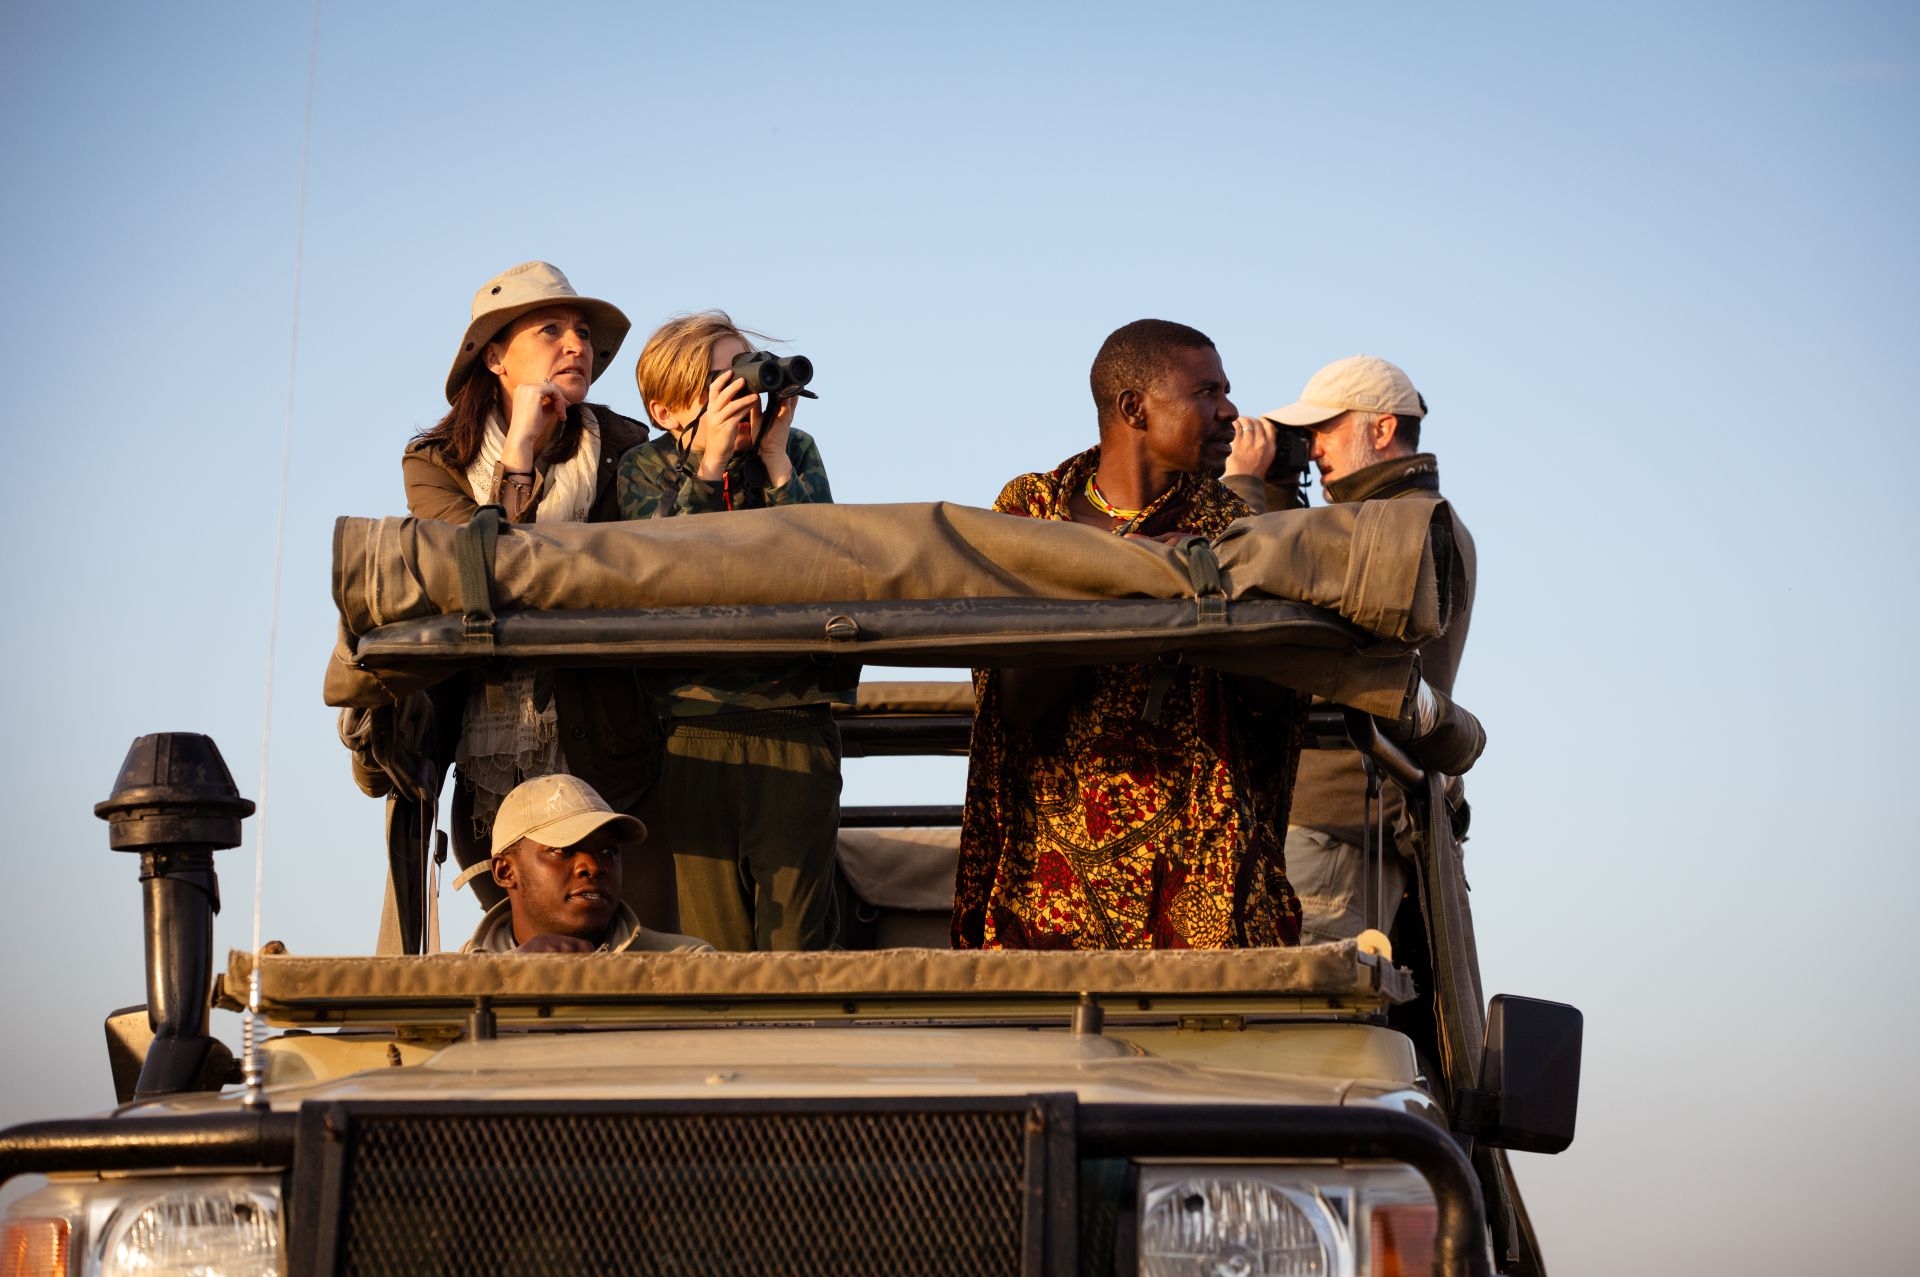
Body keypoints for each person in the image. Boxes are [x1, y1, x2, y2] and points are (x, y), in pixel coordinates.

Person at [951, 319, 1306, 951]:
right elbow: (1018, 704)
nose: (1229, 411)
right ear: (1134, 407)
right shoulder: (1036, 511)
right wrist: (1135, 572)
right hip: (1053, 897)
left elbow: (1271, 699)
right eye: (1205, 392)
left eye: (1225, 390)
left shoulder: (1235, 528)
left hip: (1205, 883)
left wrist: (1207, 581)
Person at [401, 261, 677, 932]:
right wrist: (519, 453)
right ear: (495, 355)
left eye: (583, 331)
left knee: (642, 960)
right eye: (551, 329)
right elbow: (480, 579)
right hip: (493, 776)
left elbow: (652, 575)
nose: (576, 345)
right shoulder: (433, 462)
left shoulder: (629, 448)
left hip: (620, 762)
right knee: (526, 967)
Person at [614, 312, 849, 952]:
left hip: (795, 719)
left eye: (749, 370)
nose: (744, 392)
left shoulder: (793, 453)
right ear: (667, 409)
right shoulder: (644, 468)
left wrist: (773, 459)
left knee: (798, 943)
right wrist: (707, 463)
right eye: (721, 381)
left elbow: (825, 563)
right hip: (694, 729)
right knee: (713, 944)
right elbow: (661, 572)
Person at [1260, 354, 1477, 942]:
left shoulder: (1402, 526)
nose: (1312, 449)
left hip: (1334, 823)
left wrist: (1249, 491)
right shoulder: (1387, 521)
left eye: (1324, 429)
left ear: (1381, 429)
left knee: (1299, 1014)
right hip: (1347, 821)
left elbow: (1261, 603)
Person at [461, 774, 712, 954]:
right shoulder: (451, 980)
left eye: (608, 851)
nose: (592, 866)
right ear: (505, 871)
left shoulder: (686, 964)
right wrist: (515, 980)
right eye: (562, 850)